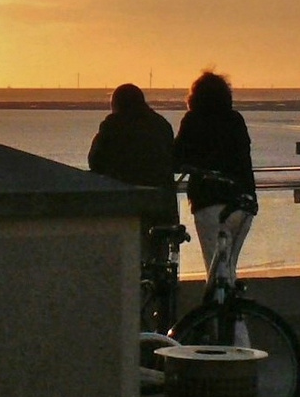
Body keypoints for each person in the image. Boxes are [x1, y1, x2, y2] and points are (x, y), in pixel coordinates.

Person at [173, 71, 258, 282]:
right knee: (229, 265)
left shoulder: (193, 120)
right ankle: (234, 310)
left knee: (215, 267)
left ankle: (217, 311)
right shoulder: (236, 120)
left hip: (209, 201)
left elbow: (176, 159)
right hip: (242, 201)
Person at [87, 83, 178, 243]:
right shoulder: (162, 125)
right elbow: (173, 158)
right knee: (161, 250)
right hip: (163, 203)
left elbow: (95, 161)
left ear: (116, 105)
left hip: (127, 204)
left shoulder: (112, 125)